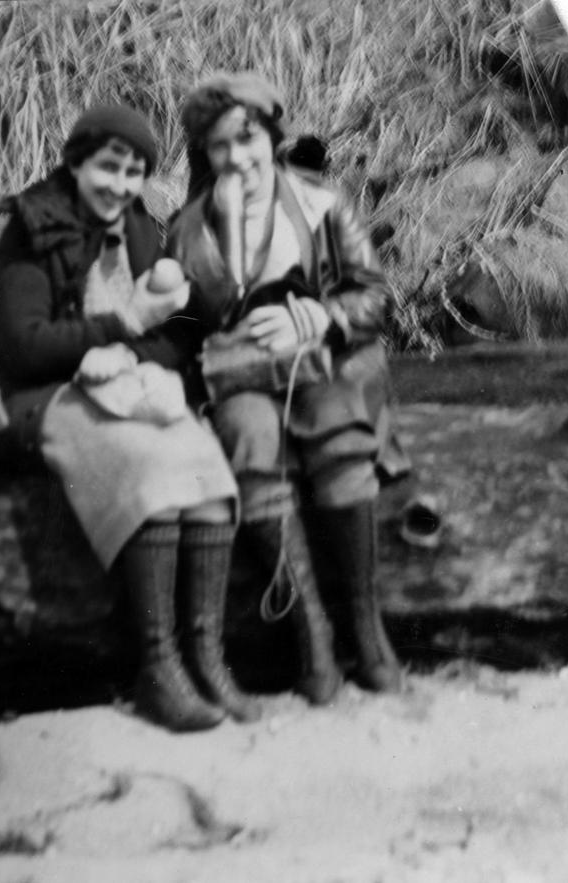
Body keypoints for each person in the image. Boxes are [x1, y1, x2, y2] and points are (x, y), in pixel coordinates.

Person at [0, 103, 259, 731]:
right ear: (77, 162)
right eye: (109, 168)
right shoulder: (32, 227)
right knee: (146, 468)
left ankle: (207, 659)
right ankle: (157, 668)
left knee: (204, 468)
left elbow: (175, 335)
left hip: (125, 385)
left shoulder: (139, 226)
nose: (120, 185)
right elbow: (22, 348)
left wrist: (139, 352)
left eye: (134, 173)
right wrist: (118, 328)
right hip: (39, 395)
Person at [167, 72, 410, 704]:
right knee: (249, 438)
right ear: (205, 155)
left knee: (335, 429)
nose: (238, 159)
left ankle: (365, 623)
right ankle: (314, 637)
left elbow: (377, 298)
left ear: (271, 137)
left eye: (247, 140)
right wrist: (227, 238)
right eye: (220, 148)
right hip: (243, 379)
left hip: (325, 365)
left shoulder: (322, 202)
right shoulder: (189, 227)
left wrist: (324, 314)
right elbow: (188, 332)